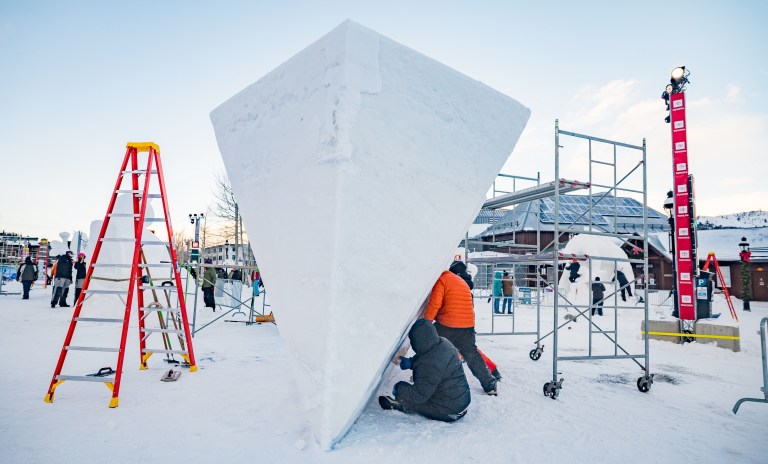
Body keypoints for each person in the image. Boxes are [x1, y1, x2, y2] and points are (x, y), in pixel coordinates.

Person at [423, 267, 498, 395]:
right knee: (472, 354)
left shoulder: (442, 279)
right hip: (467, 325)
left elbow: (435, 303)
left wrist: (426, 322)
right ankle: (489, 384)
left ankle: (424, 380)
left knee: (432, 350)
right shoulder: (460, 281)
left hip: (448, 324)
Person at [378, 318, 470, 422]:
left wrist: (399, 389)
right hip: (460, 401)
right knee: (426, 391)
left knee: (413, 398)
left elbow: (418, 396)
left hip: (449, 411)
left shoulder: (431, 365)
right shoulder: (443, 343)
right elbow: (430, 359)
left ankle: (403, 405)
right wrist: (411, 362)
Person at [448, 261, 502, 381]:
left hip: (455, 323)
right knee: (471, 351)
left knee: (457, 349)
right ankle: (492, 369)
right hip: (467, 324)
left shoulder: (456, 285)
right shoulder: (466, 286)